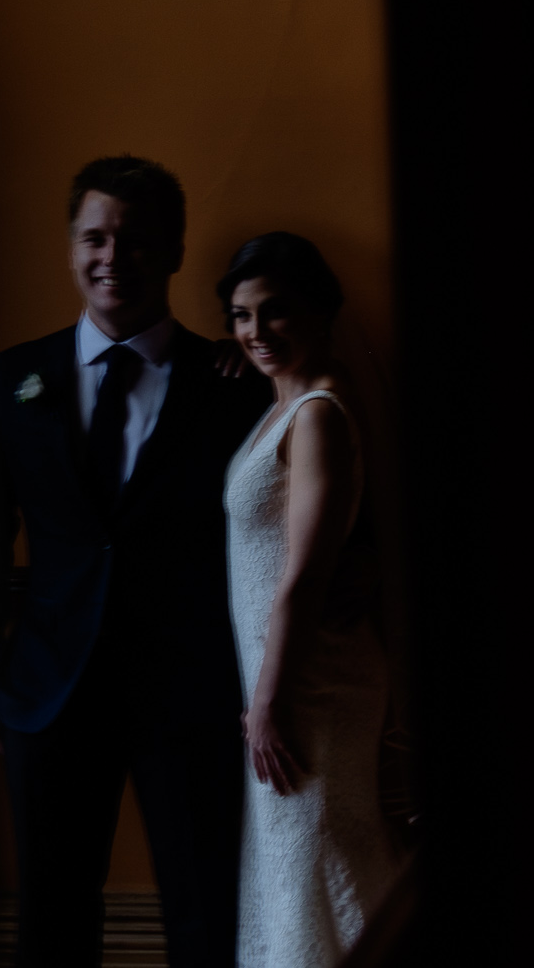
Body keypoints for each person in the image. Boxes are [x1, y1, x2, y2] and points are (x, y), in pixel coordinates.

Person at [0, 156, 271, 966]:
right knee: (51, 921)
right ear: (70, 247)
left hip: (190, 696)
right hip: (45, 693)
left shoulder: (233, 383)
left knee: (206, 915)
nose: (112, 257)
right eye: (95, 237)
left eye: (135, 241)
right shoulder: (12, 380)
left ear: (172, 250)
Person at [217, 232, 396, 967]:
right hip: (284, 680)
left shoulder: (319, 411)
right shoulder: (277, 403)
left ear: (321, 311)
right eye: (241, 315)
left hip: (308, 686)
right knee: (301, 872)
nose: (257, 330)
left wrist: (269, 698)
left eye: (276, 311)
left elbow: (304, 574)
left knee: (322, 862)